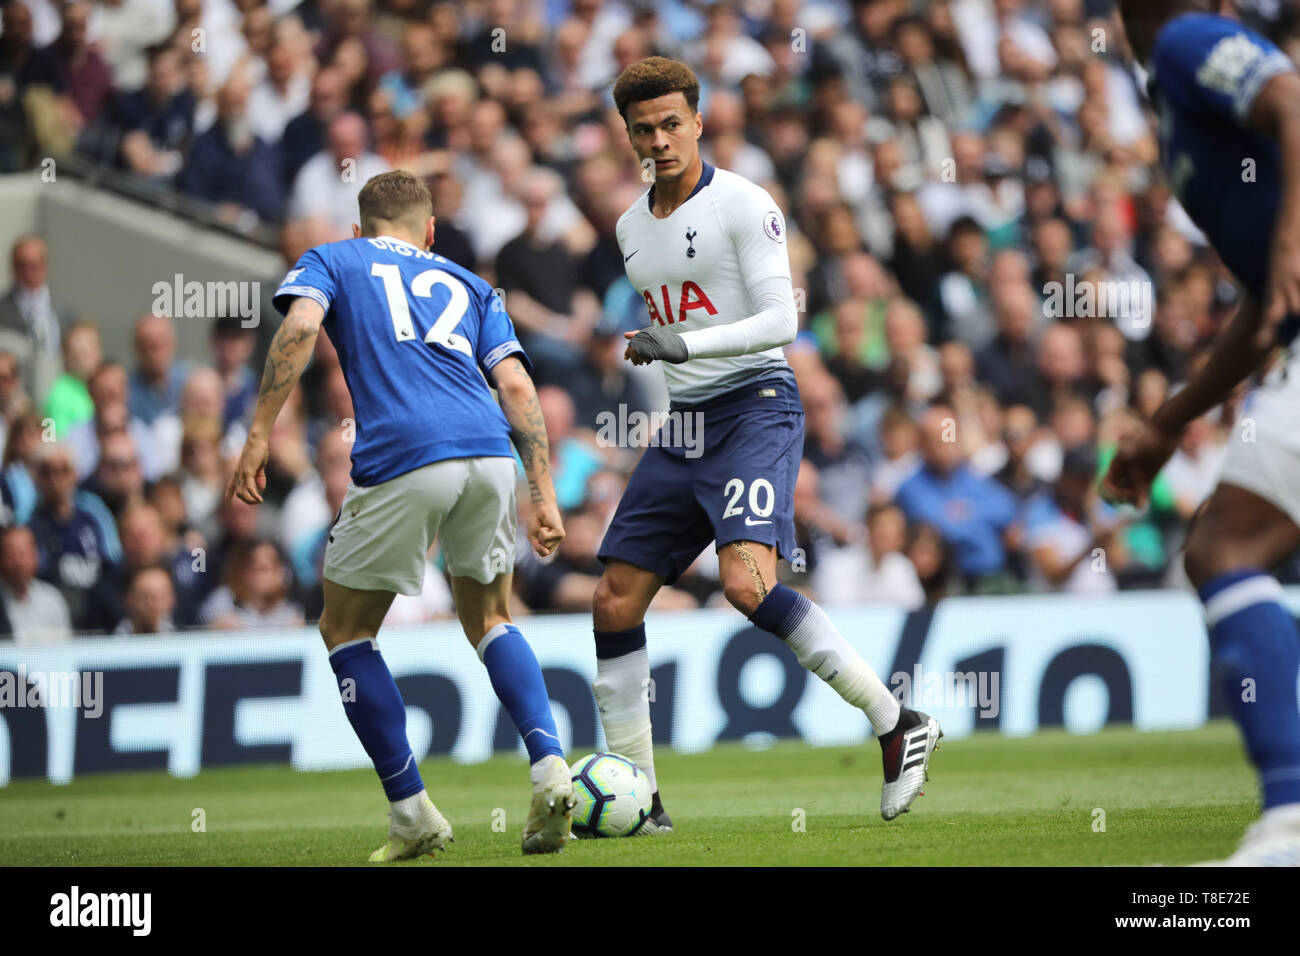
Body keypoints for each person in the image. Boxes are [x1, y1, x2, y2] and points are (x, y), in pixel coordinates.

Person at [590, 57, 942, 834]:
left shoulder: (746, 205)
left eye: (672, 122)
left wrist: (684, 346)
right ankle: (641, 803)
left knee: (747, 583)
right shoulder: (627, 227)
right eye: (643, 128)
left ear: (699, 120)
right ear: (627, 135)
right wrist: (663, 359)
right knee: (614, 597)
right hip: (685, 424)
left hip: (755, 404)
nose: (659, 139)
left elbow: (783, 321)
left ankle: (894, 720)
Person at [227, 169, 575, 860]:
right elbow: (514, 381)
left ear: (360, 229)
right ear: (431, 231)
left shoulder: (335, 256)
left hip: (405, 453)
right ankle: (550, 765)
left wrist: (260, 431)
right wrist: (542, 490)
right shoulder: (473, 285)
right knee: (491, 618)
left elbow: (300, 325)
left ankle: (412, 810)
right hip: (488, 454)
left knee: (346, 631)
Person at [1104, 0, 1300, 865]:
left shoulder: (1187, 40)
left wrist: (1293, 240)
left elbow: (1295, 102)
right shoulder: (1184, 112)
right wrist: (1167, 424)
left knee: (1225, 550)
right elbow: (1265, 311)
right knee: (1224, 547)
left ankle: (1291, 817)